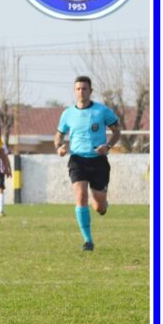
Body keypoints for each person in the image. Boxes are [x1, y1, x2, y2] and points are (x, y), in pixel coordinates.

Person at [54, 76, 120, 251]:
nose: (81, 92)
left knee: (99, 207)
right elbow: (59, 135)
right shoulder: (67, 113)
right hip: (77, 160)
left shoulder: (102, 111)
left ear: (90, 91)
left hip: (98, 162)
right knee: (81, 196)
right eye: (78, 89)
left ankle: (103, 204)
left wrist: (108, 146)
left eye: (84, 88)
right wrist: (59, 147)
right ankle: (87, 240)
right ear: (74, 91)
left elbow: (116, 131)